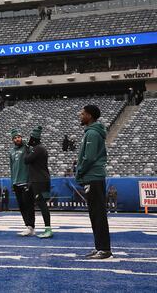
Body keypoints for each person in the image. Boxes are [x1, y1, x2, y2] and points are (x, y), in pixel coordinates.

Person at [76, 104, 112, 259]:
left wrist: (80, 171)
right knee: (95, 214)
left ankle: (104, 249)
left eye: (83, 113)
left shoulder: (92, 133)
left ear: (89, 116)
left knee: (98, 214)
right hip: (93, 177)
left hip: (93, 177)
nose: (80, 115)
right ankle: (100, 247)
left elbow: (89, 158)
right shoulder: (91, 132)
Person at [24, 126, 53, 238]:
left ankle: (48, 229)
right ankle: (46, 228)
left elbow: (26, 160)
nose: (29, 140)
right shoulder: (39, 148)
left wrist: (27, 151)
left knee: (42, 204)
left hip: (39, 180)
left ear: (34, 139)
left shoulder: (38, 149)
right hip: (40, 180)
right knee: (41, 204)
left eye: (31, 138)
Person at [9, 129, 35, 236]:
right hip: (16, 182)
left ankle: (31, 226)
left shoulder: (26, 148)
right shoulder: (11, 151)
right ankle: (27, 226)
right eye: (15, 138)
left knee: (28, 205)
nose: (17, 139)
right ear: (12, 140)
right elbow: (11, 168)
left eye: (19, 137)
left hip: (26, 181)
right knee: (21, 206)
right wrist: (12, 182)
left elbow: (32, 154)